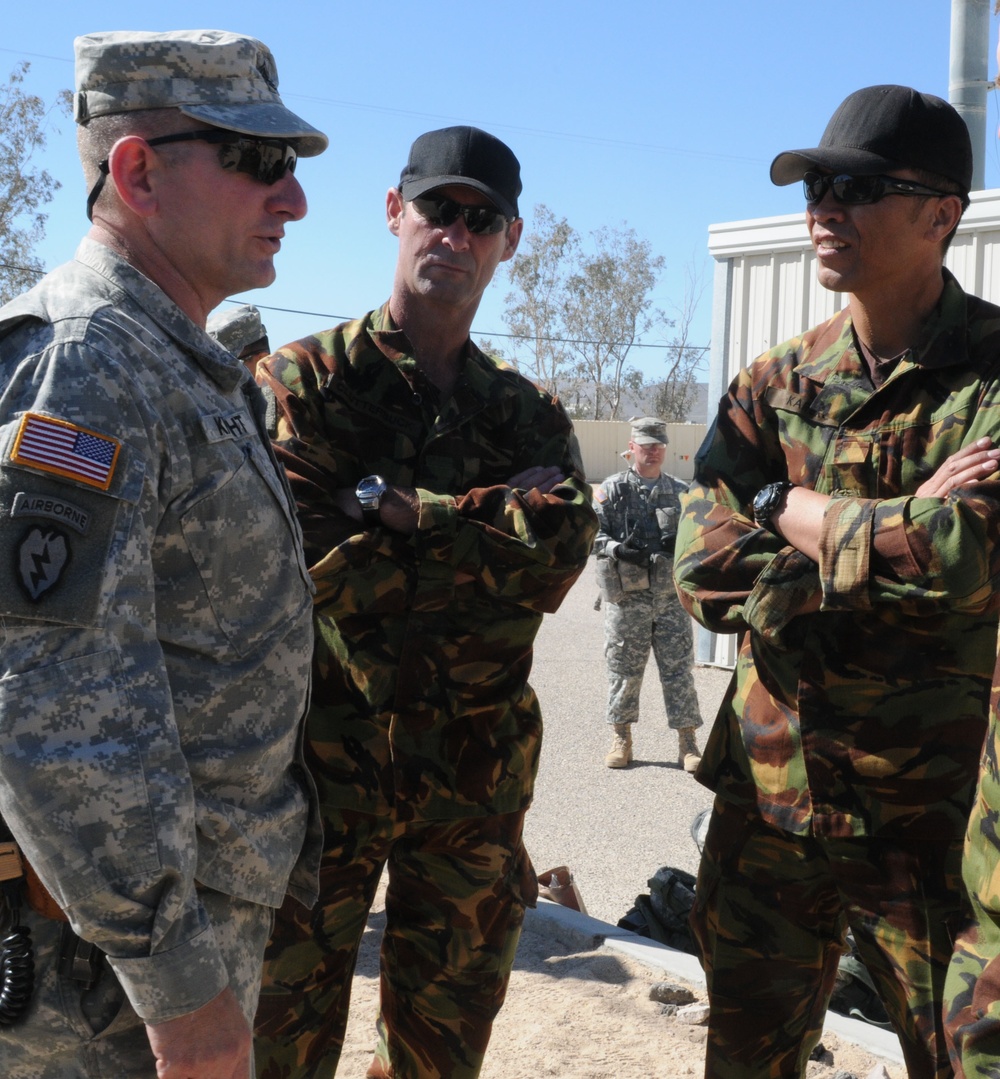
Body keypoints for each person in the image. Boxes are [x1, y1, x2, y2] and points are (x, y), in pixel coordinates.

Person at [0, 29, 327, 1079]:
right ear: (138, 170)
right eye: (259, 163)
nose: (293, 199)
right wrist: (179, 989)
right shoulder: (87, 364)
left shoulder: (178, 361)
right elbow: (53, 712)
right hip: (104, 980)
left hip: (172, 933)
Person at [253, 125, 597, 1079]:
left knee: (441, 1055)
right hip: (321, 771)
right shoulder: (303, 383)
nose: (455, 232)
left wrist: (410, 513)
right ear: (394, 212)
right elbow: (313, 563)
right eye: (438, 209)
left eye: (480, 219)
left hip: (474, 786)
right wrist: (495, 521)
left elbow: (562, 558)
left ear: (509, 240)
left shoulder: (528, 413)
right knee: (276, 1044)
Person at [672, 84, 1000, 1079]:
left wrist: (783, 514)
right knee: (744, 1059)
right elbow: (701, 567)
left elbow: (964, 558)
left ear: (941, 212)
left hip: (928, 822)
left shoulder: (990, 373)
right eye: (815, 186)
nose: (823, 208)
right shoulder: (775, 380)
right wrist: (843, 526)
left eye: (855, 187)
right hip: (772, 802)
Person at [593, 416, 703, 771]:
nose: (653, 451)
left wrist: (680, 546)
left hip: (670, 599)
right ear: (632, 446)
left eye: (659, 445)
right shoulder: (611, 490)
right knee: (623, 671)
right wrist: (615, 549)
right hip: (627, 599)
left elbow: (699, 541)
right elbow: (588, 535)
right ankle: (621, 738)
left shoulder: (680, 491)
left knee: (679, 672)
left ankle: (687, 743)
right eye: (646, 444)